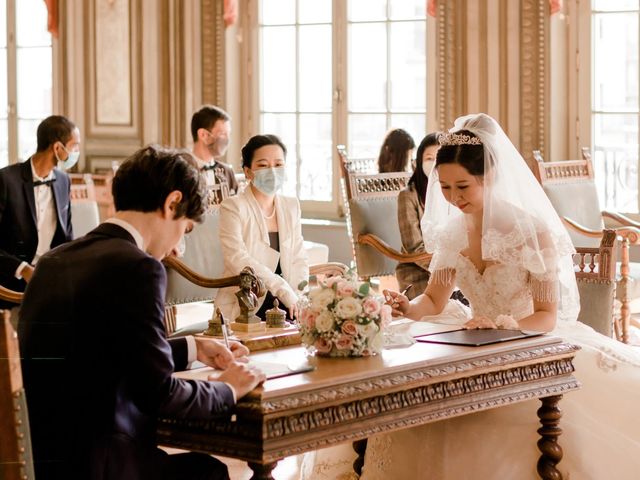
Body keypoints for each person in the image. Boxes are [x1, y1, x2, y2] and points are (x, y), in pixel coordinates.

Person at [302, 113, 640, 480]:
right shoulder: (451, 235)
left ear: (489, 177)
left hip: (530, 344)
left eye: (462, 187)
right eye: (445, 188)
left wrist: (502, 325)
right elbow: (433, 301)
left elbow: (545, 315)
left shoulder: (532, 232)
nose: (453, 198)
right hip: (473, 344)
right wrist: (408, 307)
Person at [19, 145, 265, 480]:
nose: (179, 245)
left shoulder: (52, 261)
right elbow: (158, 393)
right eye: (186, 228)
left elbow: (101, 352)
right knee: (209, 472)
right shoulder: (139, 268)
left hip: (46, 460)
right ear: (171, 203)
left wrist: (193, 348)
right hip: (105, 465)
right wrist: (228, 389)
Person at [217, 134, 308, 322]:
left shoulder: (291, 205)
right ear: (248, 171)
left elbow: (299, 258)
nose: (272, 171)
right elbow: (237, 259)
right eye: (263, 165)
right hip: (247, 305)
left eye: (278, 164)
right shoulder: (233, 206)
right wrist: (283, 290)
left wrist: (297, 297)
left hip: (288, 303)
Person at [0, 115, 78, 309]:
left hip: (52, 280)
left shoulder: (63, 181)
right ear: (58, 148)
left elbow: (67, 238)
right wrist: (23, 269)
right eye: (74, 146)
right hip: (11, 280)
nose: (76, 152)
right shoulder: (6, 180)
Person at [395, 133, 439, 299]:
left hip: (451, 271)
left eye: (439, 157)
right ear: (419, 161)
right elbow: (413, 247)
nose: (434, 163)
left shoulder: (453, 195)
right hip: (417, 271)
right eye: (429, 158)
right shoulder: (408, 196)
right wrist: (445, 270)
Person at [190, 105, 239, 201]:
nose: (227, 139)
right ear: (203, 135)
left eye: (228, 134)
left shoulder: (227, 172)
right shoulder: (180, 169)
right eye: (223, 134)